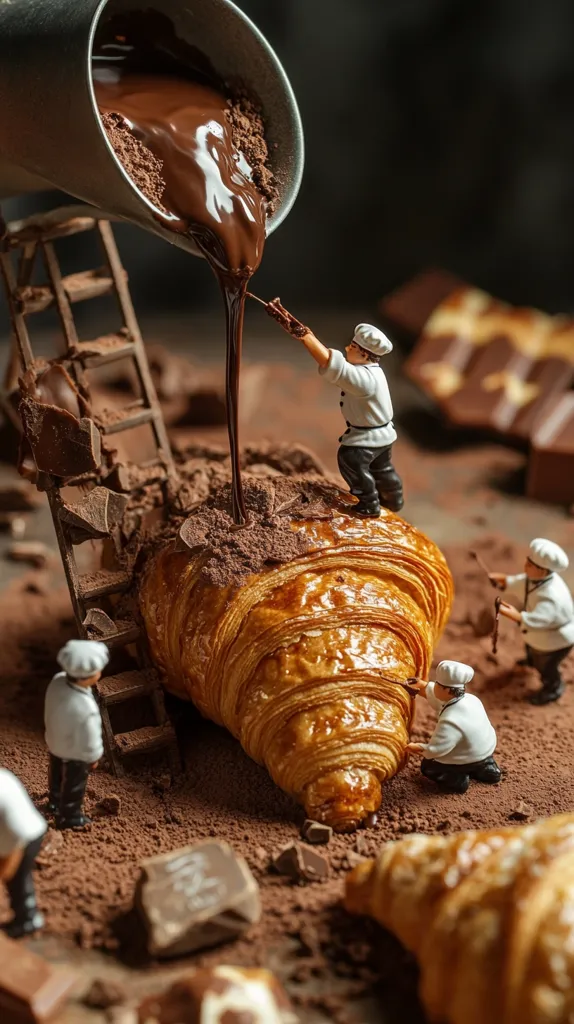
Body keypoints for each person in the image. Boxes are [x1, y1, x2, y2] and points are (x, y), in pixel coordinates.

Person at [269, 304, 403, 516]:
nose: (348, 349)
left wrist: (306, 337)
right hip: (383, 434)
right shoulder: (374, 372)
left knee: (351, 460)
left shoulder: (364, 379)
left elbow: (334, 366)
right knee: (381, 467)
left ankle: (369, 504)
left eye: (353, 347)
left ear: (365, 354)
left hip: (369, 436)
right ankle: (394, 497)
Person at [490, 538, 574, 705]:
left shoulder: (552, 596)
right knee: (530, 648)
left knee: (546, 666)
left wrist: (516, 615)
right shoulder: (535, 579)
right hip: (536, 635)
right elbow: (521, 582)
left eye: (530, 564)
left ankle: (553, 687)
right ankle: (531, 659)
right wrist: (504, 581)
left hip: (554, 640)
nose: (525, 565)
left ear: (542, 572)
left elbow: (540, 620)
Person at [406, 660, 501, 794]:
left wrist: (418, 747)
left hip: (466, 757)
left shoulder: (450, 720)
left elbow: (438, 749)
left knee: (428, 766)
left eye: (437, 685)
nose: (434, 686)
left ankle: (457, 780)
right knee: (477, 754)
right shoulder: (472, 699)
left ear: (447, 690)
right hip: (487, 748)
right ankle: (488, 769)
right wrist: (423, 686)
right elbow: (439, 698)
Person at [45, 639, 109, 829]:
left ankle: (54, 802)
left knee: (56, 773)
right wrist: (93, 756)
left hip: (54, 740)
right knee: (74, 783)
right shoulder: (86, 707)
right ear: (88, 677)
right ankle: (69, 817)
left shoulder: (57, 681)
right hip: (75, 752)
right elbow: (89, 737)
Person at [0, 767, 47, 938]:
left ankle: (28, 919)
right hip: (17, 831)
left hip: (27, 836)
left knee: (17, 879)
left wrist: (5, 870)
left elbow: (13, 849)